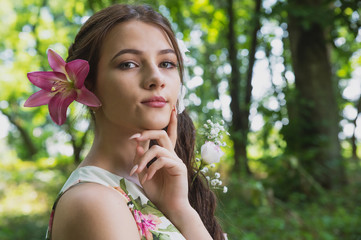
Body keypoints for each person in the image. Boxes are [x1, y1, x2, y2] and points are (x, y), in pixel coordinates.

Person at [45, 4, 225, 240]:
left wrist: (180, 210)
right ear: (87, 85)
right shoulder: (95, 203)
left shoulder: (158, 190)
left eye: (167, 63)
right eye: (128, 64)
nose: (156, 78)